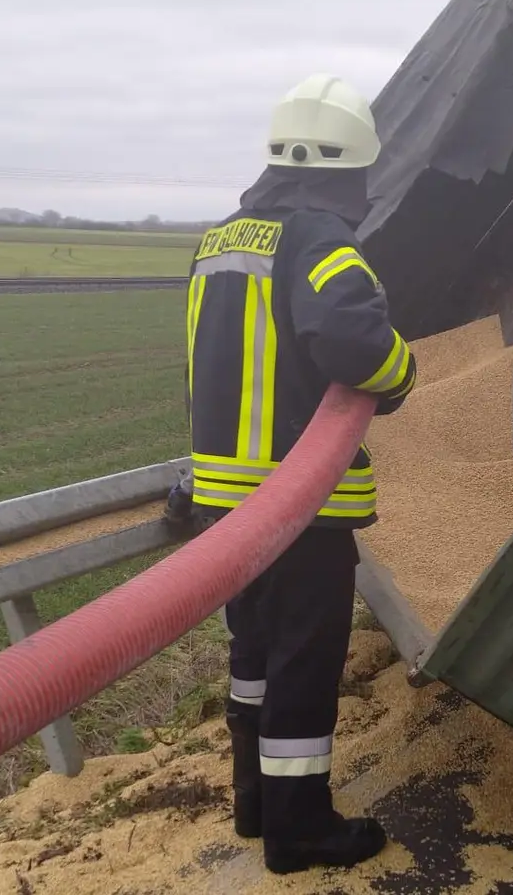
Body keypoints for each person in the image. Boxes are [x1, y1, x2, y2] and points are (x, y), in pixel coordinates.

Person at [177, 72, 417, 874]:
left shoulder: (221, 238)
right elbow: (353, 344)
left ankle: (255, 803)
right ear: (351, 168)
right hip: (297, 507)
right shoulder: (318, 239)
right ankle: (301, 828)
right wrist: (402, 369)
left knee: (253, 654)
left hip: (224, 505)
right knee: (304, 665)